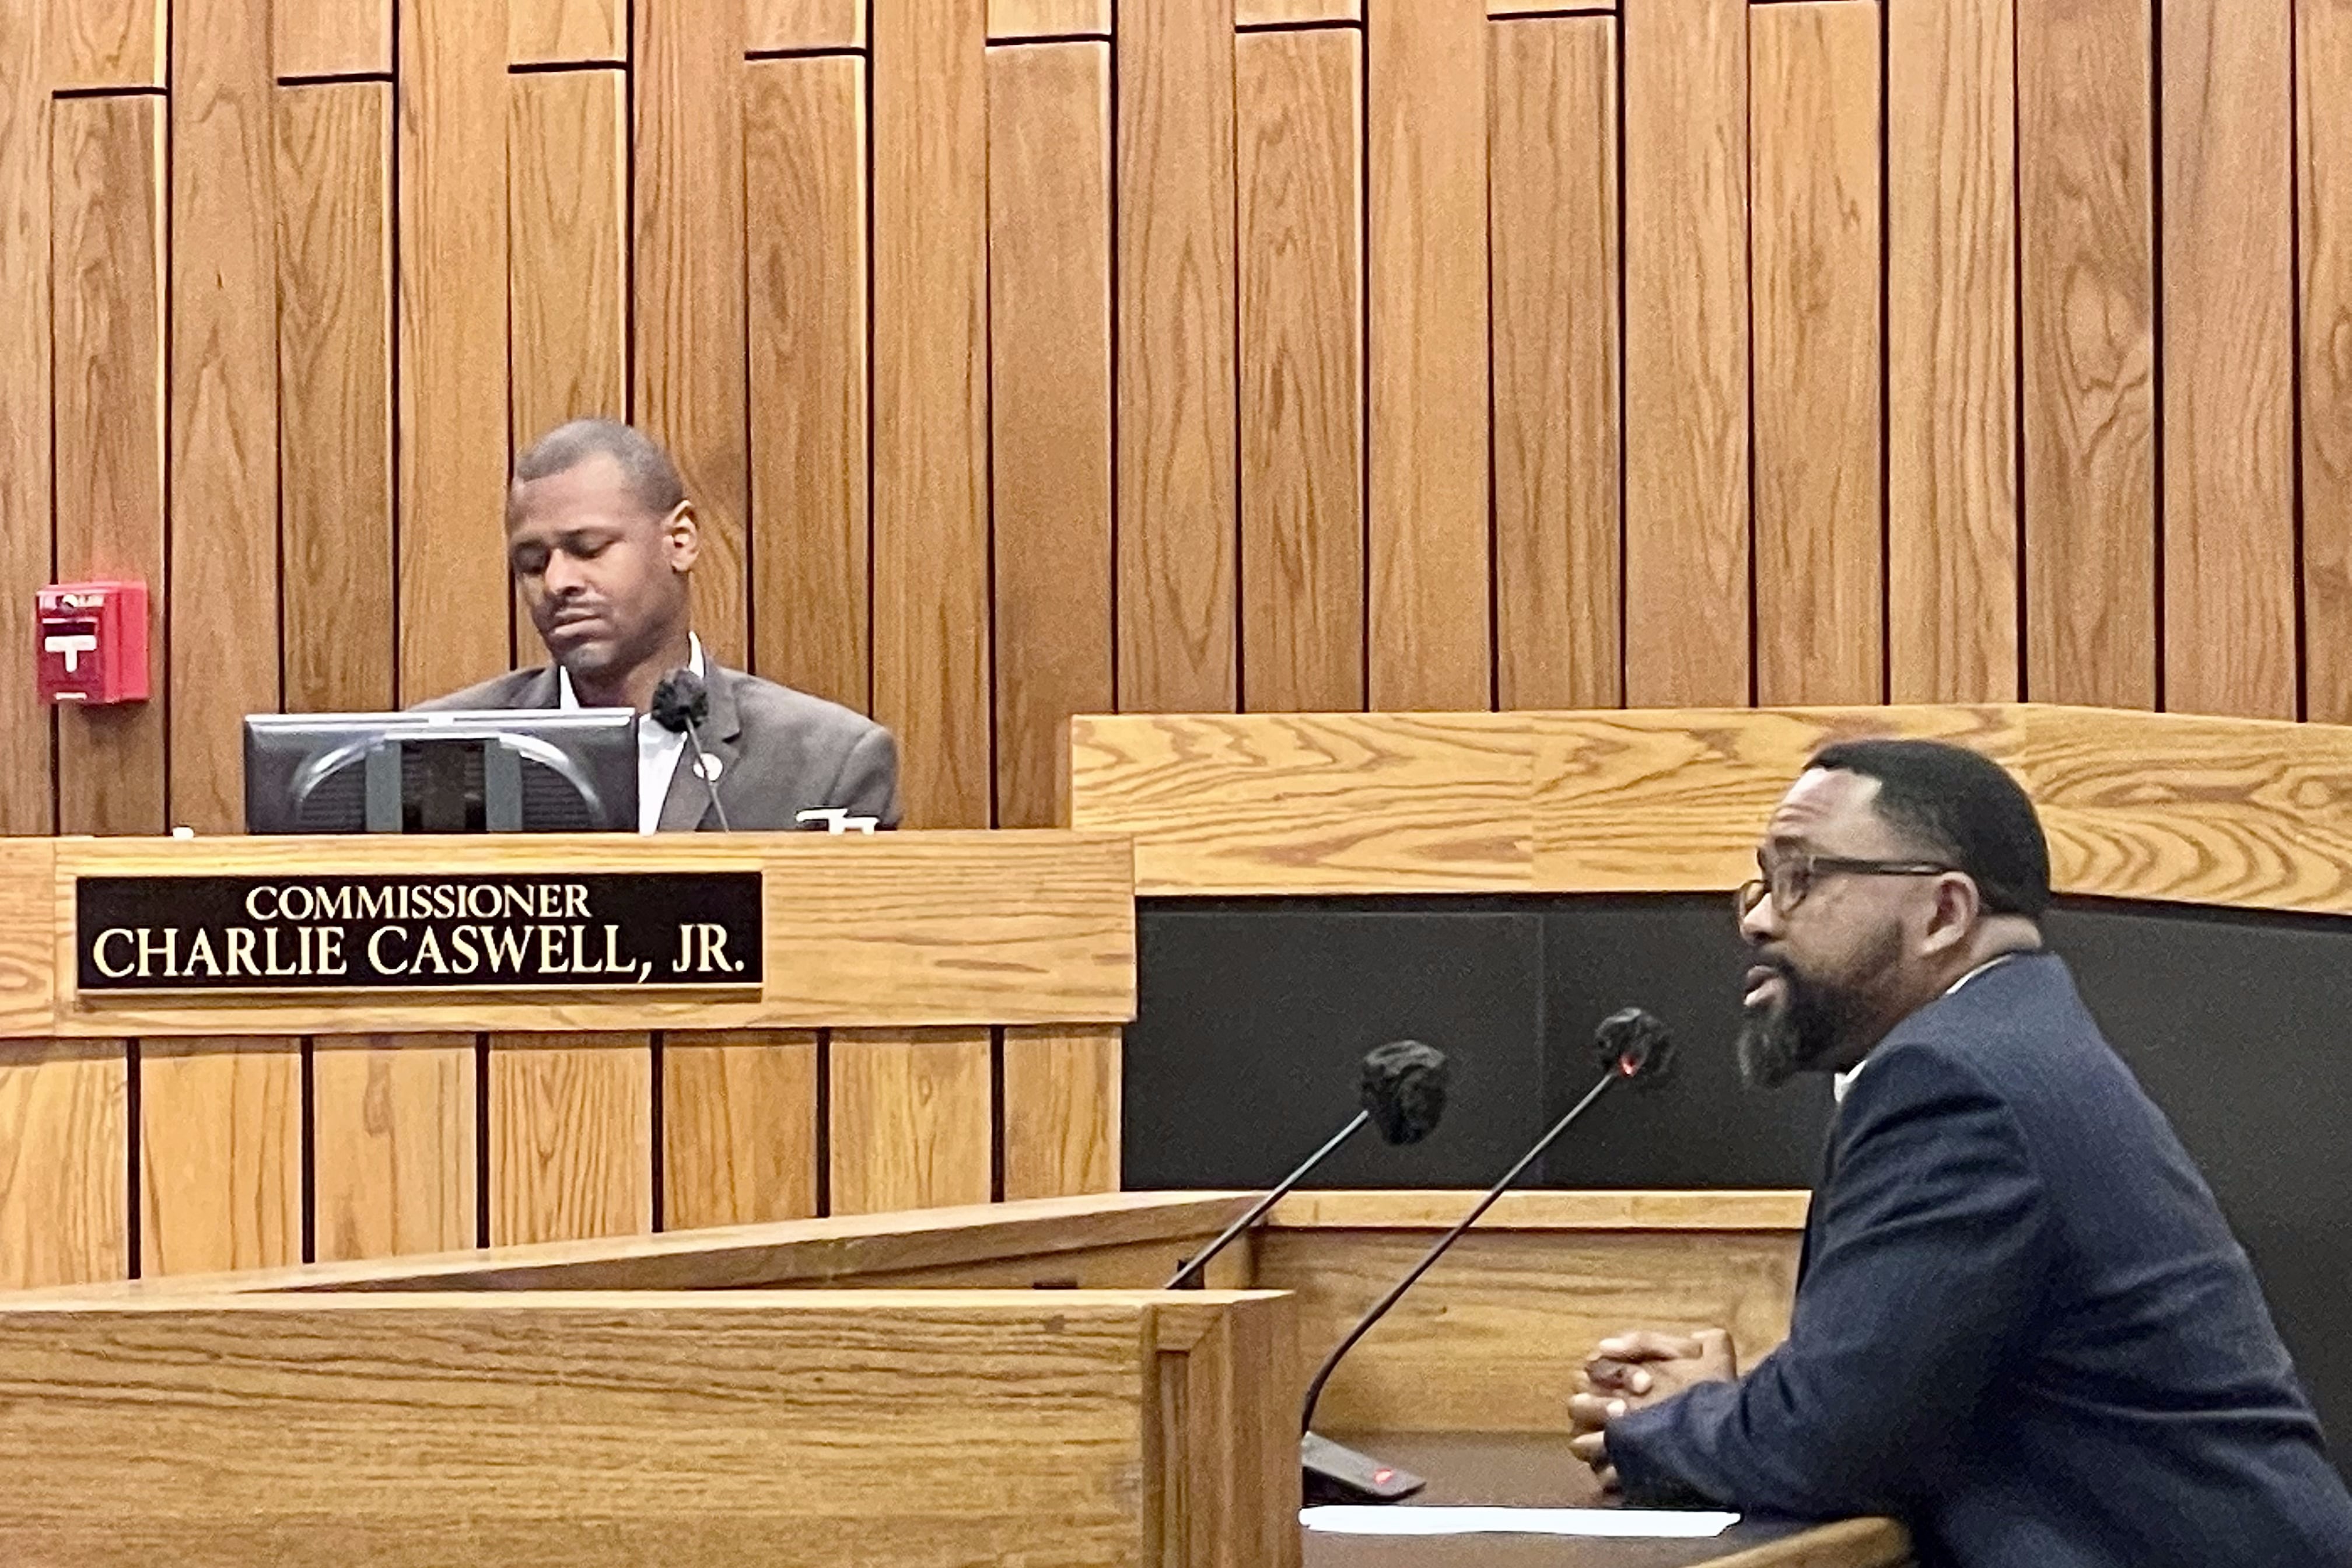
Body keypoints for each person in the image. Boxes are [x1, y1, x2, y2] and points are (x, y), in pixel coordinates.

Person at [1567, 739, 2352, 1567]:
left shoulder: (1953, 1080)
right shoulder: (2013, 1042)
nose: (1761, 917)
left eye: (1802, 876)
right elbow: (1900, 1392)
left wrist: (1663, 1421)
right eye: (1761, 880)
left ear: (1943, 913)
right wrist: (1749, 1402)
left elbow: (1832, 1442)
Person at [416, 419, 898, 832]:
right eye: (532, 562)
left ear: (681, 541)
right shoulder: (442, 752)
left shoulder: (827, 762)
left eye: (588, 548)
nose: (558, 581)